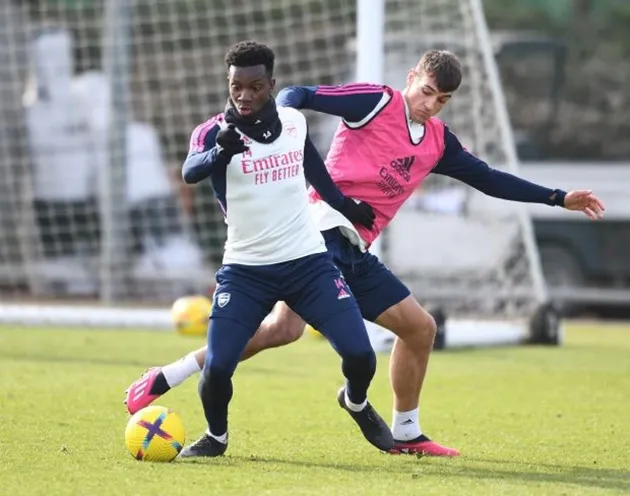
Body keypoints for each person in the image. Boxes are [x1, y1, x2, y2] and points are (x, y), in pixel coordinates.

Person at [126, 49, 605, 458]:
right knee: (286, 329)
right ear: (412, 77)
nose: (431, 105)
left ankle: (406, 430)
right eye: (427, 91)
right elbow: (298, 95)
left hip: (355, 246)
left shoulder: (437, 142)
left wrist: (557, 197)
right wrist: (281, 131)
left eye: (442, 99)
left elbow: (489, 178)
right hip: (320, 231)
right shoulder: (376, 101)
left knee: (415, 329)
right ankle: (191, 379)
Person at [174, 41, 393, 458]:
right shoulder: (213, 131)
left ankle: (356, 402)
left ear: (271, 84)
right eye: (237, 86)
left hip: (308, 263)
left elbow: (315, 170)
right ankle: (216, 437)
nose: (244, 96)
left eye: (255, 86)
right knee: (218, 368)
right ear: (228, 83)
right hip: (245, 269)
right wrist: (220, 151)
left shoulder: (294, 122)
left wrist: (347, 207)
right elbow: (190, 172)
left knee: (362, 356)